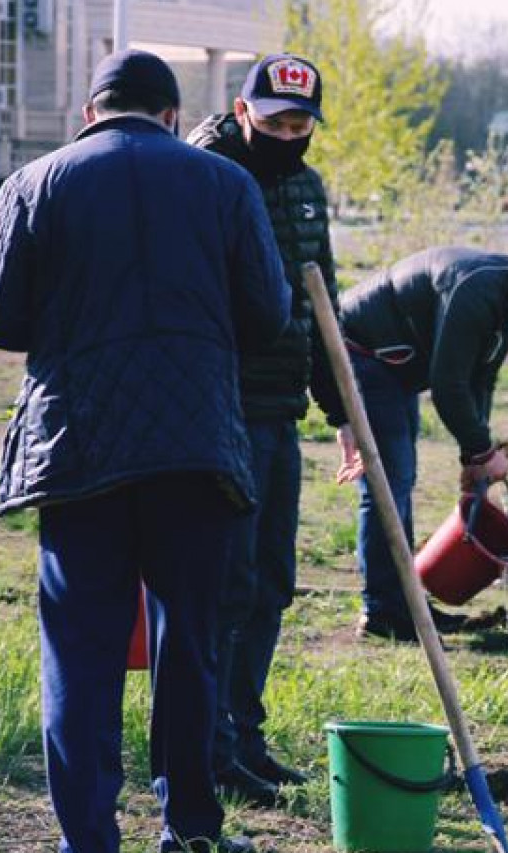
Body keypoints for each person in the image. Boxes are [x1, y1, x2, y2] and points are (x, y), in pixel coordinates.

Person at [0, 49, 290, 853]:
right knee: (190, 642)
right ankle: (189, 829)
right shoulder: (227, 186)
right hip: (196, 450)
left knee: (80, 650)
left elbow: (0, 322)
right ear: (168, 112)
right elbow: (268, 317)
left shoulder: (35, 185)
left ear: (91, 112)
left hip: (77, 449)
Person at [187, 53, 338, 808]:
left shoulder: (308, 189)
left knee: (273, 580)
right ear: (243, 112)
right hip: (219, 407)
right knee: (227, 583)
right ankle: (206, 744)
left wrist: (342, 414)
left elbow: (323, 304)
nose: (289, 135)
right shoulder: (202, 175)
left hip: (282, 408)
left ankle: (245, 733)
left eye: (300, 124)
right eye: (275, 122)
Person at [317, 248, 508, 642]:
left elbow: (480, 383)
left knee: (399, 481)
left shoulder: (505, 312)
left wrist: (476, 454)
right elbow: (449, 386)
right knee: (389, 482)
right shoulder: (475, 293)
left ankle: (405, 603)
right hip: (363, 352)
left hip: (396, 368)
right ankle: (383, 612)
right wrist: (481, 451)